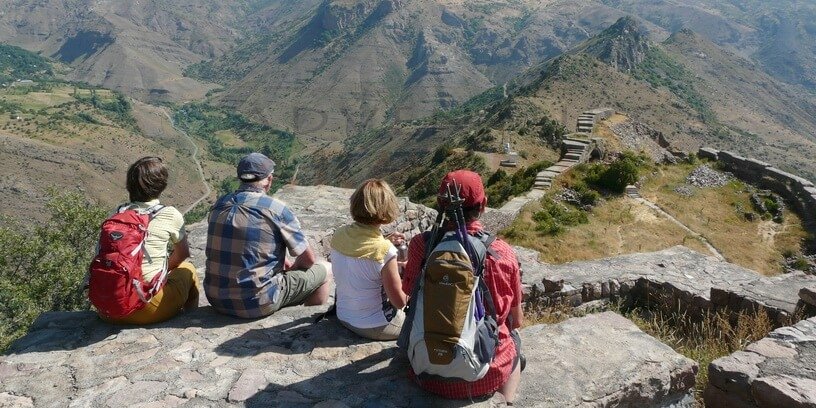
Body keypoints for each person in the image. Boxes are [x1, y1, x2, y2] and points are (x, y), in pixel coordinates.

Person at [401, 170, 524, 403]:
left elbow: (409, 292)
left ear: (440, 204)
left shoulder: (421, 245)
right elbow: (516, 320)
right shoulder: (501, 253)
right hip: (483, 374)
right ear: (483, 205)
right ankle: (506, 402)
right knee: (515, 338)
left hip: (425, 369)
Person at [205, 152, 332, 318]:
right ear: (269, 179)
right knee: (326, 268)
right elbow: (308, 260)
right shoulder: (277, 209)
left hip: (216, 299)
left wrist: (278, 261)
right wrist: (291, 270)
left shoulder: (219, 204)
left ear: (240, 178)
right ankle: (310, 323)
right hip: (259, 303)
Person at [100, 156, 199, 324]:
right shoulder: (169, 214)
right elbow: (182, 254)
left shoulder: (117, 213)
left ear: (129, 185)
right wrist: (165, 270)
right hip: (146, 308)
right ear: (161, 186)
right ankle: (190, 321)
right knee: (188, 269)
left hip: (108, 308)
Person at [331, 179, 408, 340]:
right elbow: (400, 302)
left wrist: (385, 241)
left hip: (343, 315)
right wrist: (410, 275)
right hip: (375, 326)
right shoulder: (384, 251)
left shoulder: (339, 234)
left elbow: (360, 253)